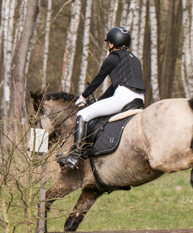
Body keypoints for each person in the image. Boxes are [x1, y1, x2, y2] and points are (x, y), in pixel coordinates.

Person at [57, 26, 145, 170]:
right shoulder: (135, 60)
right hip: (140, 99)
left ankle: (74, 156)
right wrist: (100, 101)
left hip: (123, 98)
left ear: (112, 43)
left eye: (109, 42)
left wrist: (83, 96)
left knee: (83, 114)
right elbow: (114, 86)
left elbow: (98, 80)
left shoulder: (113, 58)